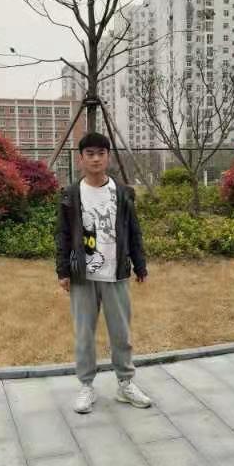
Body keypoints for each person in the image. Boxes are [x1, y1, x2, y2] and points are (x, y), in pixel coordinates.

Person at [55, 132, 152, 414]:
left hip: (116, 273)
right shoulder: (71, 194)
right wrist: (62, 270)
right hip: (82, 276)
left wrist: (140, 264)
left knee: (121, 333)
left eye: (101, 153)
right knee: (84, 334)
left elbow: (133, 230)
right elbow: (62, 235)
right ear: (81, 158)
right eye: (90, 154)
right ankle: (86, 386)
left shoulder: (122, 192)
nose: (96, 159)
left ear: (108, 157)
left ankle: (125, 383)